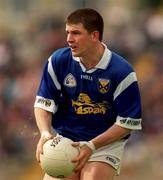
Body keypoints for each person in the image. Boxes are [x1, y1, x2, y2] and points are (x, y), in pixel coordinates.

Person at [34, 8, 142, 180]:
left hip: (104, 145)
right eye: (67, 32)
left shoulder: (122, 72)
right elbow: (43, 103)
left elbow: (127, 123)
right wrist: (45, 133)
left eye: (76, 33)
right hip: (66, 140)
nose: (69, 39)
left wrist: (91, 145)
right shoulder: (57, 61)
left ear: (94, 36)